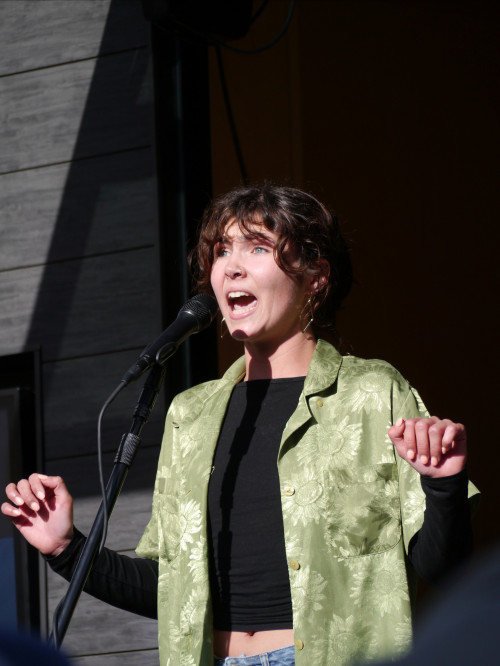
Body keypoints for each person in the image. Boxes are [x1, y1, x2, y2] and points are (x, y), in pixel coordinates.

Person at [2, 185, 478, 666]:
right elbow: (171, 590)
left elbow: (444, 569)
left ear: (316, 276)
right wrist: (65, 547)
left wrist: (443, 486)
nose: (231, 265)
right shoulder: (191, 414)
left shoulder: (372, 392)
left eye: (257, 247)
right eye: (221, 250)